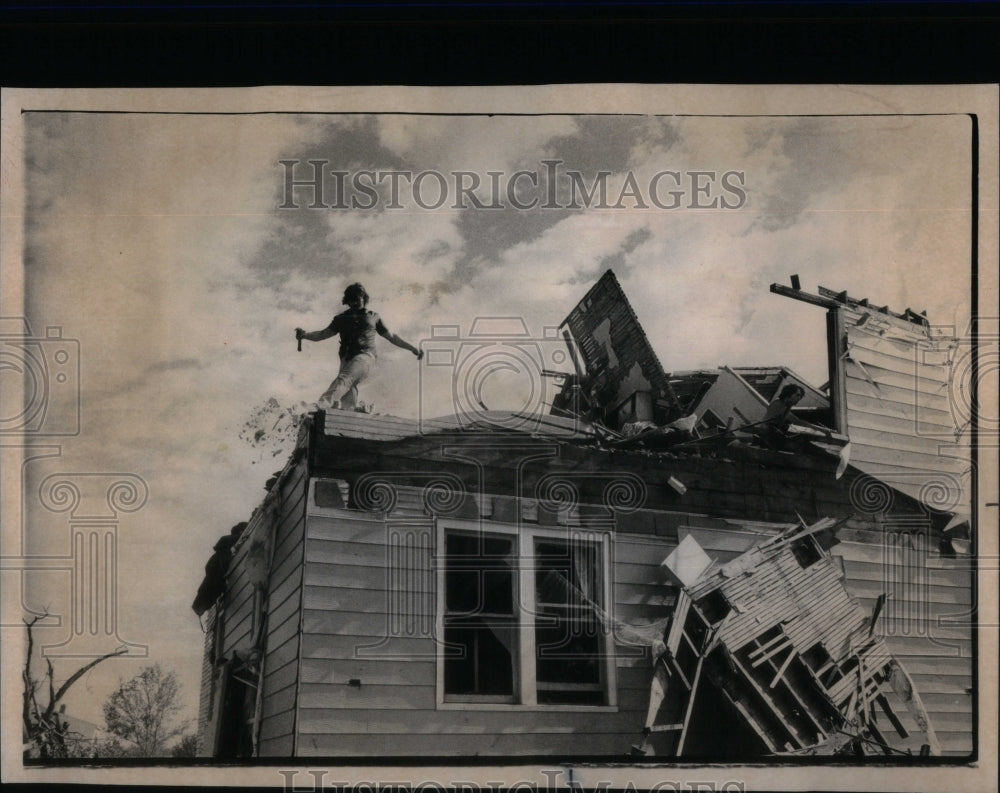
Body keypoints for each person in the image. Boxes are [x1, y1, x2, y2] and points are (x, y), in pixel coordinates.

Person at [295, 282, 423, 411]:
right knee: (347, 394)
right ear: (347, 301)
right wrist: (305, 335)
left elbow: (392, 337)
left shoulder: (373, 317)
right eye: (351, 301)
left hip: (365, 356)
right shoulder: (341, 318)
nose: (355, 303)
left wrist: (412, 348)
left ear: (364, 298)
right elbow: (322, 334)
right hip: (346, 359)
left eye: (357, 299)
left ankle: (321, 404)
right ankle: (348, 417)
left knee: (344, 379)